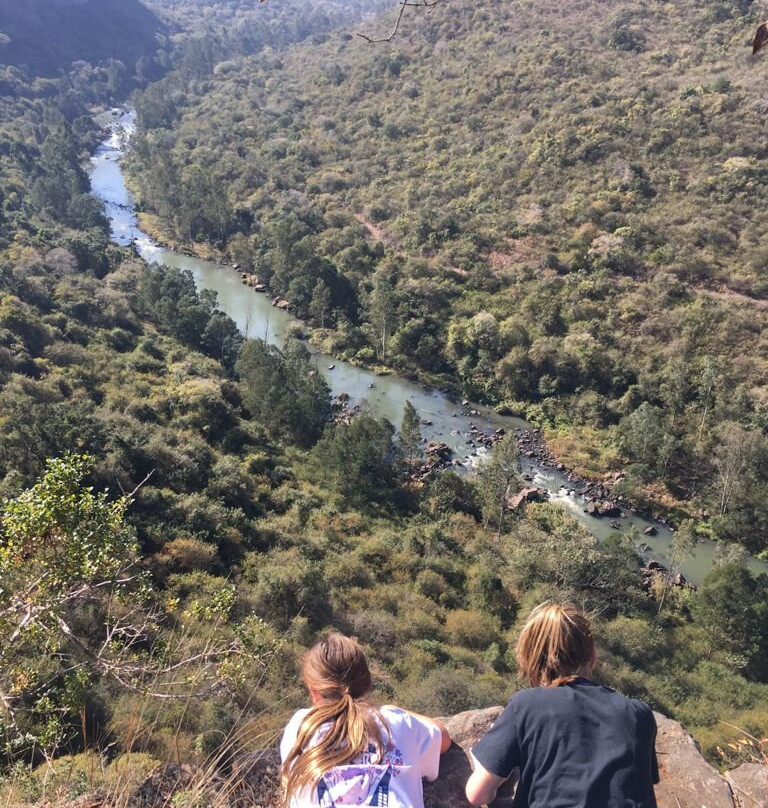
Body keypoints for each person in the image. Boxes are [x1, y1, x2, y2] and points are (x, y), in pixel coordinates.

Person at [466, 602, 659, 808]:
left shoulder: (527, 705)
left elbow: (477, 795)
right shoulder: (639, 714)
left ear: (529, 659)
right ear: (592, 656)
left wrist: (485, 758)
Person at [280, 633, 451, 807]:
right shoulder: (395, 722)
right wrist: (395, 710)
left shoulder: (301, 725)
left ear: (314, 692)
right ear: (367, 683)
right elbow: (443, 738)